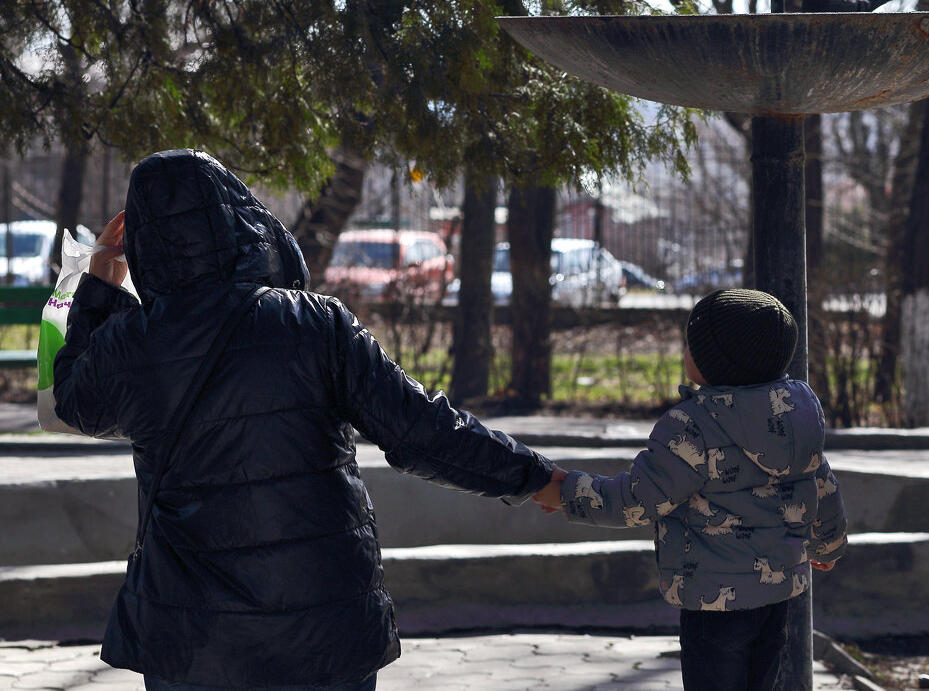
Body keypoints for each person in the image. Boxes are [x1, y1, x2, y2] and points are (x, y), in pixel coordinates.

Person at [53, 148, 565, 691]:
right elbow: (419, 428)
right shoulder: (314, 324)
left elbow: (71, 401)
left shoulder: (130, 345)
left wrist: (99, 284)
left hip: (193, 637)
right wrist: (531, 476)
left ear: (144, 240)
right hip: (324, 625)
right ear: (239, 219)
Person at [538, 288, 847, 691]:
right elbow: (822, 485)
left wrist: (566, 493)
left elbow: (635, 501)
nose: (685, 351)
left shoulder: (693, 426)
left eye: (691, 345)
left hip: (713, 601)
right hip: (778, 595)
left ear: (715, 360)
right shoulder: (800, 416)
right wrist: (828, 546)